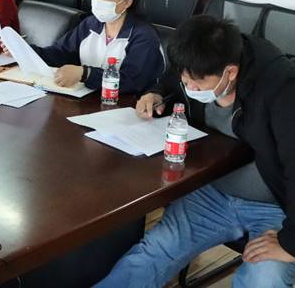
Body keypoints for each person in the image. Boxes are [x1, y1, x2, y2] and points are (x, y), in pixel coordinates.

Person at [97, 16, 295, 288]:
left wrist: (291, 244)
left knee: (265, 279)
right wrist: (156, 93)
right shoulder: (196, 64)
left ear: (230, 72)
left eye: (197, 84)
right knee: (152, 254)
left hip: (274, 207)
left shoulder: (281, 89)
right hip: (212, 194)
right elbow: (172, 81)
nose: (190, 89)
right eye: (185, 79)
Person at [28, 0, 164, 93]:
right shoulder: (91, 24)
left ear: (127, 2)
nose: (98, 0)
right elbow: (60, 53)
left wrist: (86, 74)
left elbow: (132, 81)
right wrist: (26, 51)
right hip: (86, 98)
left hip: (124, 104)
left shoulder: (144, 36)